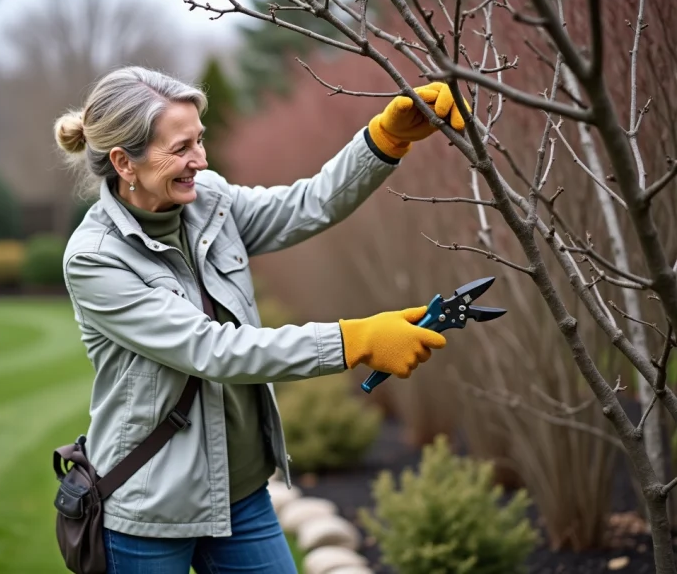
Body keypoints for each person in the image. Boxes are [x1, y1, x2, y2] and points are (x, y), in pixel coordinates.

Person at [54, 66, 468, 574]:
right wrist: (353, 340)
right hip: (149, 512)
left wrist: (382, 140)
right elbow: (212, 350)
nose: (200, 161)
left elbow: (308, 205)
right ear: (124, 161)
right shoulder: (97, 259)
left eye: (199, 142)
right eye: (181, 148)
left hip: (241, 490)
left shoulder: (210, 202)